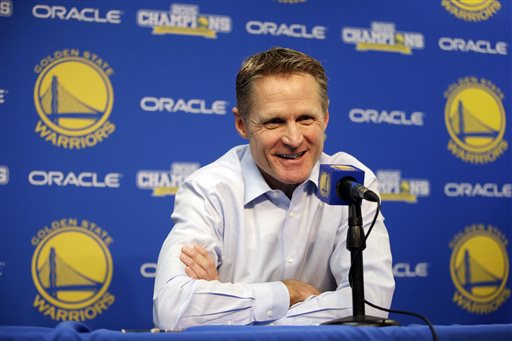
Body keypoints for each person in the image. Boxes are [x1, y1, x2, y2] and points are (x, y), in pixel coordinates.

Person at [153, 47, 394, 330]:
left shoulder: (351, 183)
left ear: (325, 117)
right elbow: (172, 309)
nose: (293, 139)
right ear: (242, 124)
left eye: (306, 118)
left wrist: (233, 308)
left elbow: (368, 304)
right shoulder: (209, 189)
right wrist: (287, 292)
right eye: (274, 122)